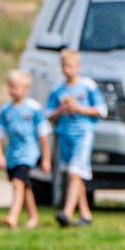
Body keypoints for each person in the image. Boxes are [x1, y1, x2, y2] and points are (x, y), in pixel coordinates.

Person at [46, 49, 105, 228]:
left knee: (74, 172)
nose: (67, 70)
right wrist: (61, 110)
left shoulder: (88, 86)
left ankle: (67, 212)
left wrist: (80, 109)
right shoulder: (58, 89)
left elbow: (101, 110)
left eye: (70, 66)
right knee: (75, 174)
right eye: (64, 66)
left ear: (78, 67)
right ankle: (86, 214)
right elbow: (48, 114)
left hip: (83, 133)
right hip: (65, 134)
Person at [0, 69, 51, 230]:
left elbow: (43, 135)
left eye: (17, 87)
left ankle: (13, 217)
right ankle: (33, 217)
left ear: (26, 89)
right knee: (24, 185)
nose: (13, 90)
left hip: (28, 153)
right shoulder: (5, 110)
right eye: (11, 86)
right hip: (13, 154)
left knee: (18, 183)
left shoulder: (34, 109)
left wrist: (46, 158)